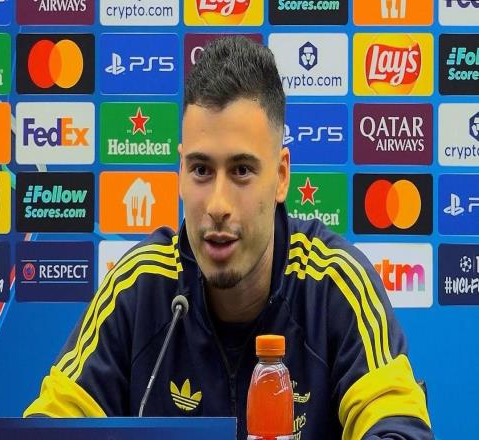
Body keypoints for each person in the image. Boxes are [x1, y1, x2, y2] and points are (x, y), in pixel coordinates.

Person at [24, 36, 433, 440]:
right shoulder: (139, 286)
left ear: (281, 176)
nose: (218, 205)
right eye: (201, 170)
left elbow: (400, 429)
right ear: (181, 173)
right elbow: (46, 429)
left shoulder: (334, 284)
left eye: (241, 171)